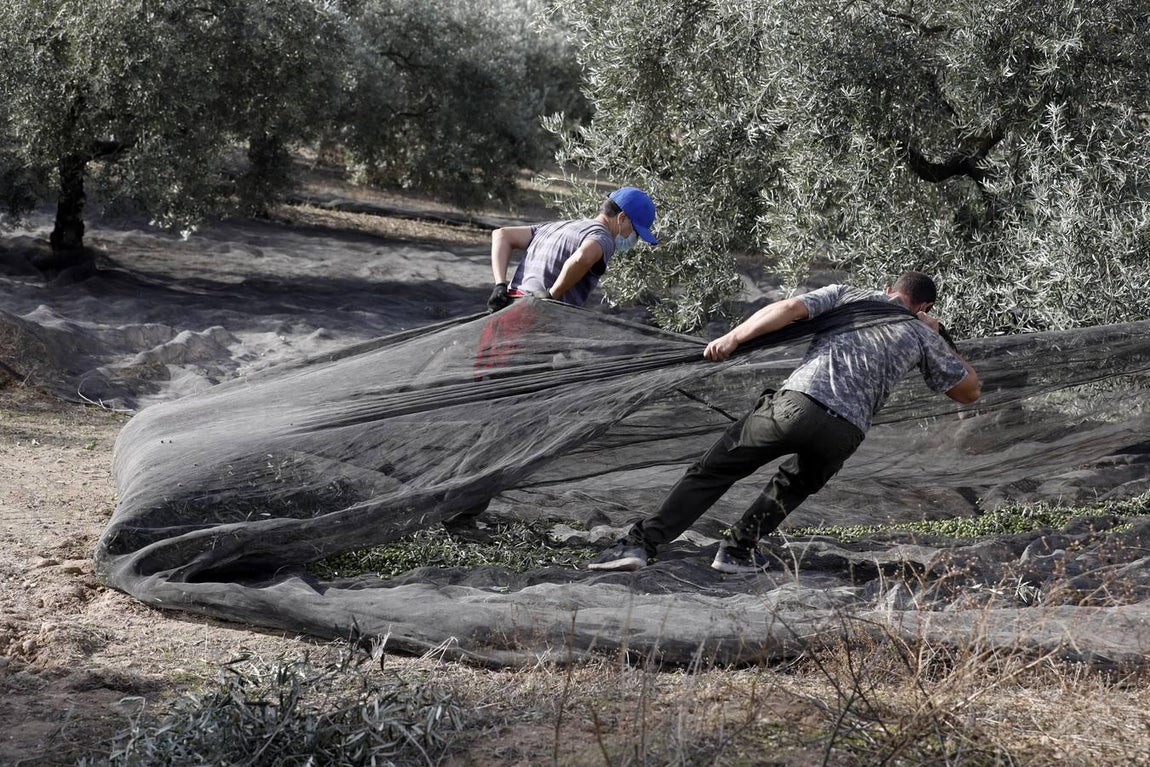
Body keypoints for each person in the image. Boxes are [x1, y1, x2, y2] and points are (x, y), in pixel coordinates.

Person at [587, 271, 981, 573]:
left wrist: (734, 337)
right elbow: (969, 391)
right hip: (845, 433)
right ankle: (737, 551)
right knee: (793, 485)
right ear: (923, 308)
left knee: (713, 471)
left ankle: (640, 545)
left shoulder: (851, 294)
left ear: (889, 289)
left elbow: (790, 309)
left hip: (798, 405)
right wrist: (939, 336)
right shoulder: (921, 334)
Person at [486, 186, 658, 312]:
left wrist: (500, 285)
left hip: (505, 309)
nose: (634, 239)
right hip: (532, 318)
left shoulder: (558, 227)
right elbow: (583, 257)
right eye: (635, 232)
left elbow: (502, 235)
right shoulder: (604, 237)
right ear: (621, 218)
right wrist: (552, 295)